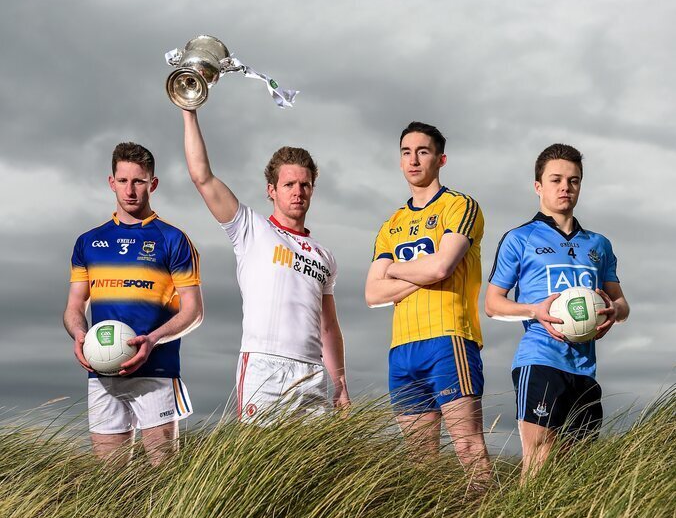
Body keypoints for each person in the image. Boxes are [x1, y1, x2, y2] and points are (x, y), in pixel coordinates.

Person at [181, 109, 349, 423]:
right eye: (289, 184)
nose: (298, 192)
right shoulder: (250, 228)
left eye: (305, 185)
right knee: (257, 452)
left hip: (312, 371)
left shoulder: (324, 256)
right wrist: (190, 113)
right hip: (264, 365)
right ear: (271, 190)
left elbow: (329, 327)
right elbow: (202, 177)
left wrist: (339, 383)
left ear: (312, 189)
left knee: (313, 455)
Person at [485, 143, 629, 478]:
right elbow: (493, 304)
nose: (566, 187)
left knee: (575, 469)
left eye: (573, 180)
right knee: (540, 457)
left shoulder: (598, 244)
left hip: (584, 368)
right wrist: (534, 311)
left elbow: (622, 304)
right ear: (538, 186)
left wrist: (613, 310)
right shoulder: (519, 238)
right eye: (556, 180)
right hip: (540, 359)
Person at [365, 121, 490, 487]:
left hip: (448, 340)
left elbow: (441, 267)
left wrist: (393, 270)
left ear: (440, 159)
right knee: (420, 463)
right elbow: (372, 294)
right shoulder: (391, 224)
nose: (414, 160)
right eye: (407, 153)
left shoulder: (460, 206)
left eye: (423, 152)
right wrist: (420, 274)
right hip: (402, 349)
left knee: (468, 448)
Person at [63, 142, 203, 465]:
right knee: (109, 482)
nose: (130, 190)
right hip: (103, 372)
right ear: (111, 182)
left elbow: (194, 311)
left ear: (153, 184)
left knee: (164, 475)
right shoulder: (88, 242)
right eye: (123, 181)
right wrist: (79, 334)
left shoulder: (173, 240)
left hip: (156, 371)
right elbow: (74, 307)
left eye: (139, 181)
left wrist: (152, 340)